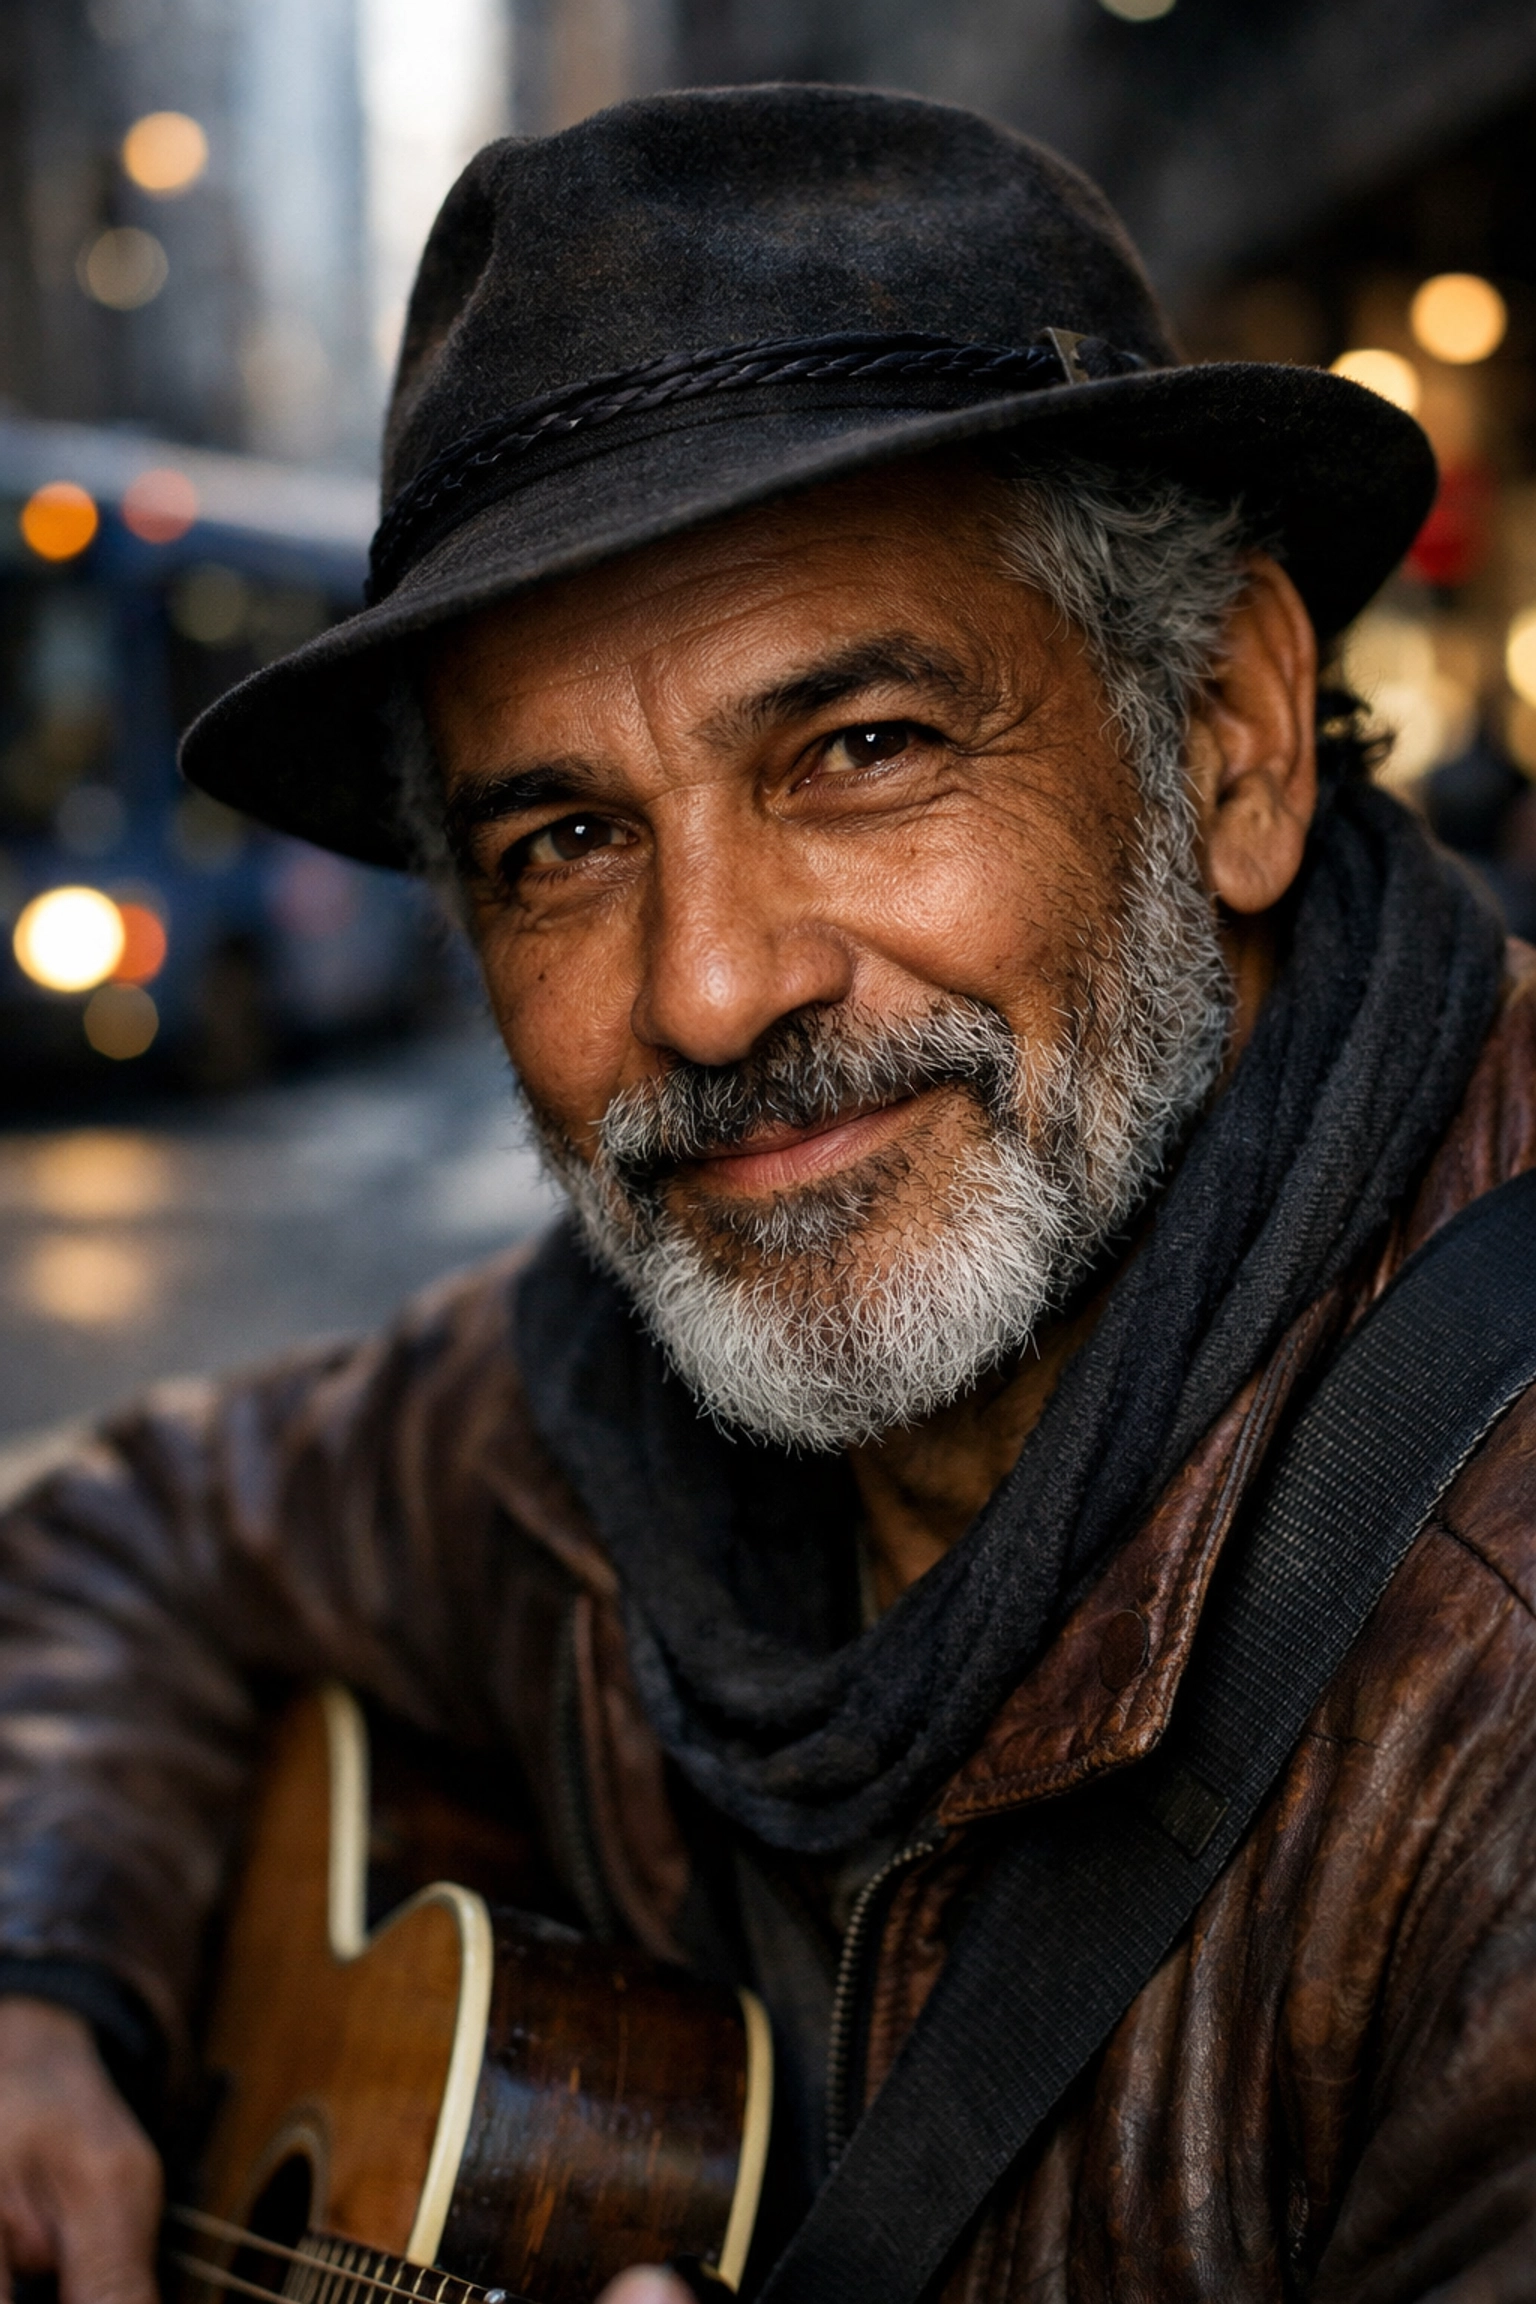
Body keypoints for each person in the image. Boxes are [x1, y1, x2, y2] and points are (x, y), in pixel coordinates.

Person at [0, 84, 1532, 2304]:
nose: (709, 992)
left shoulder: (1491, 1692)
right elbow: (131, 1538)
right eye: (563, 843)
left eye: (864, 749)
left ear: (1229, 736)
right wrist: (47, 1983)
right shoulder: (560, 1428)